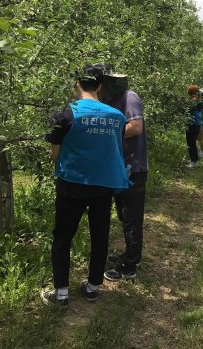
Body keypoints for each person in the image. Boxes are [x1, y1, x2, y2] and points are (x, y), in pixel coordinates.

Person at [42, 65, 130, 305]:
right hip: (104, 185)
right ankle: (92, 288)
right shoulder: (117, 117)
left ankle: (61, 293)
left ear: (76, 84)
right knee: (99, 236)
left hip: (72, 185)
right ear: (100, 87)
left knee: (62, 237)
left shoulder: (64, 114)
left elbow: (54, 154)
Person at [94, 69, 149, 282]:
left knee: (132, 218)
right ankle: (131, 254)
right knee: (124, 216)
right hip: (119, 167)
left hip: (133, 168)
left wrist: (107, 130)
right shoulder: (114, 100)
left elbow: (135, 127)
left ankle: (130, 266)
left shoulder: (130, 97)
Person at [186, 84, 203, 168]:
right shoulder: (197, 99)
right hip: (196, 123)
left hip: (192, 124)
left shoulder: (193, 100)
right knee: (192, 142)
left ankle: (194, 161)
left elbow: (188, 108)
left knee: (191, 143)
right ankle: (194, 160)